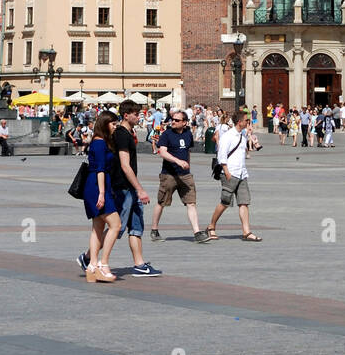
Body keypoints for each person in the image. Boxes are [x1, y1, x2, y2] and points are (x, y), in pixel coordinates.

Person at [108, 100, 161, 276]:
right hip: (123, 188)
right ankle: (89, 257)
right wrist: (139, 189)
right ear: (126, 115)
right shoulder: (122, 134)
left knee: (136, 226)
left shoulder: (127, 133)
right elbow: (125, 165)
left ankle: (139, 264)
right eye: (136, 114)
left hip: (129, 188)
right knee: (117, 227)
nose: (139, 117)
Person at [150, 109, 210, 244]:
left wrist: (187, 164)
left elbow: (187, 151)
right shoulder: (166, 134)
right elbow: (162, 152)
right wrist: (178, 161)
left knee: (191, 203)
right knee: (161, 202)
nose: (173, 122)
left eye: (177, 120)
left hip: (185, 175)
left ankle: (197, 232)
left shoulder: (188, 134)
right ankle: (154, 229)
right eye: (172, 119)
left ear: (184, 122)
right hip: (169, 175)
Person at [207, 108, 261, 241]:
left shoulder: (242, 136)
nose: (248, 123)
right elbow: (221, 155)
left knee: (244, 202)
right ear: (239, 122)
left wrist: (252, 138)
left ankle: (246, 232)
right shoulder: (228, 136)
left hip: (242, 173)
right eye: (246, 121)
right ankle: (211, 226)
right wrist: (226, 172)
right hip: (230, 172)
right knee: (225, 202)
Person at [81, 111, 121, 282]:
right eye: (113, 124)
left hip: (94, 186)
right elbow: (100, 170)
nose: (115, 126)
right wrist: (102, 194)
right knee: (116, 225)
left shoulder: (98, 142)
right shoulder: (100, 143)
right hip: (97, 187)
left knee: (97, 227)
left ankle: (92, 267)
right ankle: (103, 264)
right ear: (105, 124)